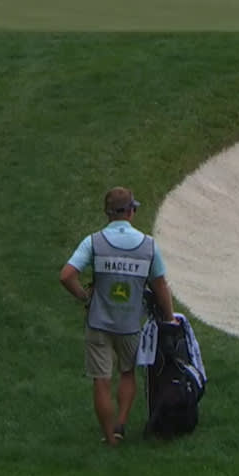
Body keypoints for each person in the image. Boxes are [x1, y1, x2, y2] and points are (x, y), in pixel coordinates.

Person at [58, 187, 176, 447]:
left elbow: (66, 275)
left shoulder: (93, 242)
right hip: (130, 323)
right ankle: (121, 422)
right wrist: (169, 318)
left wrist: (85, 297)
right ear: (131, 211)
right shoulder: (148, 245)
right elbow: (160, 285)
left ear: (107, 213)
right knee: (127, 373)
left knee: (101, 380)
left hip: (98, 321)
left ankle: (109, 437)